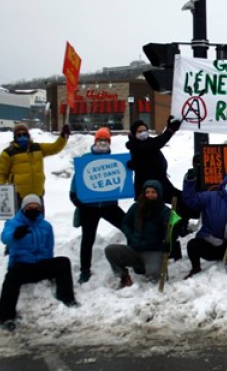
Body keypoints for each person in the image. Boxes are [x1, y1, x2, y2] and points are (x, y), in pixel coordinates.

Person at [0, 194, 78, 331]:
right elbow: (5, 238)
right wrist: (15, 234)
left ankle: (67, 298)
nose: (33, 209)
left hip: (41, 264)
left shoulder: (46, 226)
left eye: (36, 207)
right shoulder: (13, 223)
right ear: (23, 208)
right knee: (11, 278)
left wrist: (49, 265)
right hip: (23, 265)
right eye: (30, 207)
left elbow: (49, 247)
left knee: (63, 262)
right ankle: (5, 317)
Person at [126, 116, 189, 255]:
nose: (143, 132)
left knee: (180, 201)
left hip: (162, 183)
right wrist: (170, 131)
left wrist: (169, 129)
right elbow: (156, 143)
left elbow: (155, 143)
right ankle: (161, 240)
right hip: (149, 189)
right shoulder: (137, 146)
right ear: (133, 134)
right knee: (155, 216)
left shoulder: (147, 143)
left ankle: (178, 229)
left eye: (145, 130)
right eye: (139, 131)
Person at [69, 127, 125, 283]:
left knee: (128, 226)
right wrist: (79, 203)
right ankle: (84, 271)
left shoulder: (114, 162)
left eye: (106, 140)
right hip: (89, 208)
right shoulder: (85, 160)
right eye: (100, 140)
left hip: (109, 205)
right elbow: (74, 186)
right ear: (95, 141)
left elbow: (123, 180)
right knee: (87, 240)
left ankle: (135, 259)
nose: (103, 143)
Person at [182, 169, 227, 277]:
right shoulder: (210, 197)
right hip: (210, 244)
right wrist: (189, 181)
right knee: (192, 245)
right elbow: (190, 200)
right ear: (224, 184)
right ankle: (195, 267)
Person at [104, 180, 170, 289]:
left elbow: (169, 230)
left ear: (159, 193)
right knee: (110, 250)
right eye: (147, 192)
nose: (150, 195)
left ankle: (151, 268)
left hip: (153, 250)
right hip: (135, 249)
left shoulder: (165, 211)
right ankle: (124, 277)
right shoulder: (136, 207)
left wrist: (167, 241)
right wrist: (131, 236)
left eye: (153, 192)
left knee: (155, 280)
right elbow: (125, 223)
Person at [0, 122, 70, 209]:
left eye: (24, 134)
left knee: (38, 222)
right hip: (18, 196)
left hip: (37, 194)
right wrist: (1, 192)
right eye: (19, 135)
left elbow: (55, 147)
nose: (22, 136)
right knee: (20, 222)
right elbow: (1, 174)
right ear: (15, 137)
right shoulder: (8, 153)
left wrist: (63, 137)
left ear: (28, 135)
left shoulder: (38, 148)